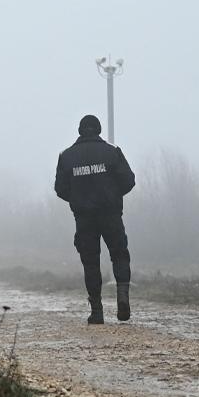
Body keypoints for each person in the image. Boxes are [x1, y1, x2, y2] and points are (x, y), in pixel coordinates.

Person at [55, 114, 136, 324]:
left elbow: (60, 189)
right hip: (111, 214)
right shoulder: (112, 152)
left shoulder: (67, 156)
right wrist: (113, 196)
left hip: (84, 217)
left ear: (80, 131)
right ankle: (122, 298)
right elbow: (129, 180)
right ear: (99, 130)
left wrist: (78, 199)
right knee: (119, 255)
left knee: (90, 262)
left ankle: (97, 311)